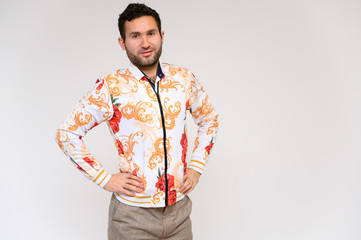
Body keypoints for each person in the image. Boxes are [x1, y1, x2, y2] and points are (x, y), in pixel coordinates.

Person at [55, 3, 219, 240]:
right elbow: (66, 133)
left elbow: (209, 118)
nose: (145, 43)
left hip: (179, 213)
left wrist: (196, 167)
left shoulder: (183, 78)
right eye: (135, 36)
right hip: (131, 217)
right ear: (122, 43)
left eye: (151, 33)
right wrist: (105, 179)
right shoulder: (110, 86)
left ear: (161, 36)